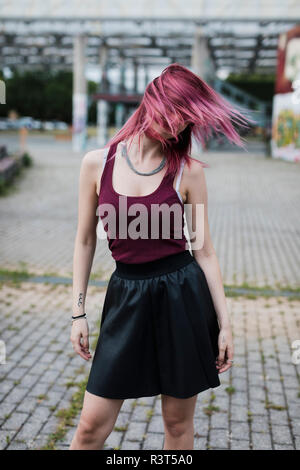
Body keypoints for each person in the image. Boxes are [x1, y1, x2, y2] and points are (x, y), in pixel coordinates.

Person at [69, 63, 250, 450]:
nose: (180, 126)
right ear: (153, 99)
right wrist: (78, 312)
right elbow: (85, 240)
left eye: (188, 120)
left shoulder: (188, 171)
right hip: (125, 298)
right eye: (177, 114)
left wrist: (226, 323)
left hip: (181, 298)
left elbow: (204, 249)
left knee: (177, 428)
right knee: (89, 429)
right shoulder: (96, 164)